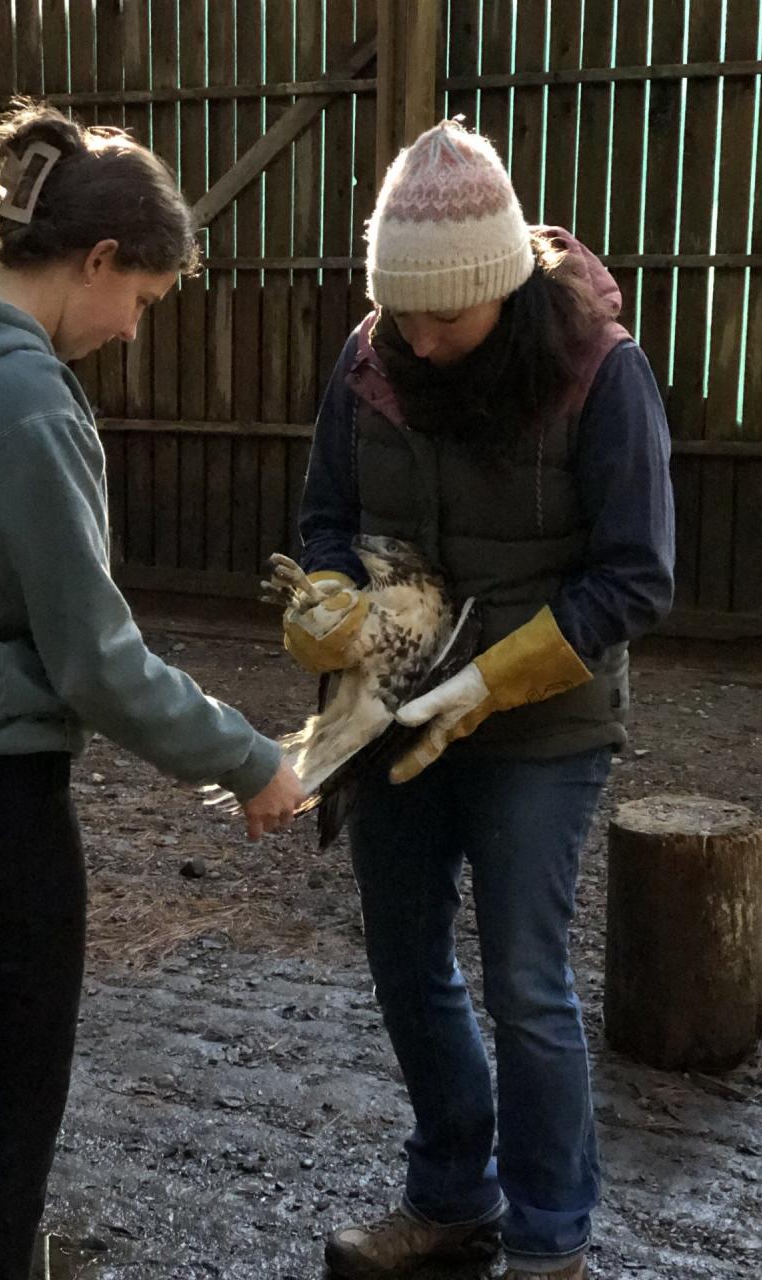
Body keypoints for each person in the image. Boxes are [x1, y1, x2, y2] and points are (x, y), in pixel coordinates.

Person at [0, 100, 303, 1280]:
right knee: (7, 1094)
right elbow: (95, 657)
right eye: (141, 301)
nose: (135, 330)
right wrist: (250, 757)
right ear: (97, 260)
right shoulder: (27, 398)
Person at [285, 119, 674, 1279]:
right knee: (406, 961)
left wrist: (492, 678)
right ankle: (452, 1195)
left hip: (540, 723)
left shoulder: (602, 372)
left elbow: (638, 574)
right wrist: (328, 598)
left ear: (499, 285)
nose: (416, 334)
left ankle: (553, 1243)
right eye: (397, 311)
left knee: (526, 980)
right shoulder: (369, 363)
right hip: (392, 708)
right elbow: (325, 518)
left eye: (440, 316)